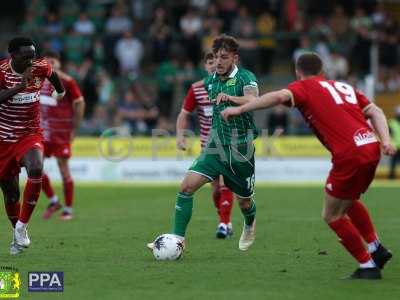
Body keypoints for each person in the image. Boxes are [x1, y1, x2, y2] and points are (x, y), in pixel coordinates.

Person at [221, 52, 395, 279]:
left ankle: (367, 266)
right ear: (323, 72)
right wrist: (387, 141)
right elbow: (376, 111)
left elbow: (278, 96)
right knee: (349, 200)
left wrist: (240, 108)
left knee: (332, 215)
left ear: (297, 72)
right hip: (370, 147)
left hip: (350, 154)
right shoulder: (343, 88)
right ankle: (376, 248)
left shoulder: (304, 87)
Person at [148, 34, 259, 251]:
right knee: (186, 187)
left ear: (234, 58)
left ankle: (249, 222)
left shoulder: (246, 77)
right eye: (215, 57)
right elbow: (186, 107)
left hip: (240, 150)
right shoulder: (209, 82)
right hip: (214, 147)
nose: (218, 61)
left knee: (245, 202)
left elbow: (253, 99)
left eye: (224, 57)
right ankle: (177, 239)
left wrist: (231, 99)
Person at [0, 37, 64, 254]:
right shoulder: (1, 72)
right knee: (11, 195)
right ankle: (17, 235)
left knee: (36, 167)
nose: (31, 60)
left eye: (33, 55)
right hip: (3, 138)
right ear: (13, 56)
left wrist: (60, 92)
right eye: (26, 56)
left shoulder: (40, 66)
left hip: (29, 133)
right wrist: (20, 86)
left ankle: (22, 225)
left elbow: (53, 75)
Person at [176, 52, 234, 239]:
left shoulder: (231, 85)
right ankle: (224, 220)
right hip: (208, 147)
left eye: (216, 61)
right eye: (210, 62)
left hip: (229, 144)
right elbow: (184, 113)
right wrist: (180, 136)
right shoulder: (197, 89)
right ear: (205, 66)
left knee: (226, 184)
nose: (213, 65)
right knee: (216, 188)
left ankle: (224, 224)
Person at [40, 50, 85, 220]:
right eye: (47, 60)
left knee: (63, 170)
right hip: (42, 132)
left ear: (59, 63)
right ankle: (53, 200)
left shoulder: (67, 81)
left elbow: (80, 103)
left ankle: (68, 209)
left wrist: (75, 127)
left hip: (61, 133)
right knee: (35, 168)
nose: (51, 63)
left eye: (54, 60)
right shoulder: (38, 80)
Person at [388, 106, 400, 179]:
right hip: (395, 147)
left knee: (393, 163)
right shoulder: (391, 123)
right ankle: (391, 177)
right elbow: (388, 135)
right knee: (393, 164)